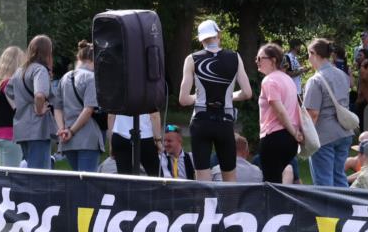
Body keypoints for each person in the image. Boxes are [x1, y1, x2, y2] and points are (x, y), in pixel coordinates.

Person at [179, 19, 253, 182]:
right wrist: (230, 96)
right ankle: (230, 207)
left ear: (201, 40)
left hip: (201, 121)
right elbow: (247, 93)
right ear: (218, 35)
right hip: (224, 121)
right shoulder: (235, 57)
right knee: (229, 178)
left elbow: (183, 100)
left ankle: (205, 207)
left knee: (203, 180)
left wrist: (198, 98)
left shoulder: (192, 59)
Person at [303, 38, 354, 187]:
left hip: (324, 136)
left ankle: (326, 211)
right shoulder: (343, 76)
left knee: (324, 183)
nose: (308, 59)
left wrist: (305, 139)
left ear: (314, 54)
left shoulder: (315, 80)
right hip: (344, 132)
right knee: (339, 178)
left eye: (308, 54)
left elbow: (312, 114)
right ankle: (344, 210)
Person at [6, 35, 57, 169]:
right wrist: (39, 109)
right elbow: (40, 95)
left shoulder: (19, 70)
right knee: (39, 173)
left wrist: (19, 107)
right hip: (37, 128)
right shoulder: (40, 70)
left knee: (29, 169)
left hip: (21, 126)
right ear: (48, 51)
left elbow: (8, 90)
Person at [255, 43, 303, 183]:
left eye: (260, 58)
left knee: (270, 185)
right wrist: (295, 133)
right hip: (290, 141)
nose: (257, 61)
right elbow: (295, 108)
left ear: (273, 60)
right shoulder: (288, 79)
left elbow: (280, 111)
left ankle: (275, 206)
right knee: (279, 182)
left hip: (274, 138)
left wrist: (295, 132)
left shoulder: (269, 80)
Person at [54, 41, 102, 172]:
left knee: (77, 180)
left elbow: (57, 108)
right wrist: (72, 131)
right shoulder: (91, 78)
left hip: (67, 141)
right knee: (88, 183)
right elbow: (88, 109)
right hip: (87, 138)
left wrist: (62, 129)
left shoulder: (64, 78)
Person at [0, 46, 23, 167]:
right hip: (12, 135)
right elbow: (18, 109)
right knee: (13, 176)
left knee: (6, 175)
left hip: (1, 134)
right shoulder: (9, 83)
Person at [107, 111, 161, 176]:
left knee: (124, 177)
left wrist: (111, 143)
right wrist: (158, 140)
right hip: (145, 136)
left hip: (120, 134)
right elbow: (154, 115)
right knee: (156, 176)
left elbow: (111, 115)